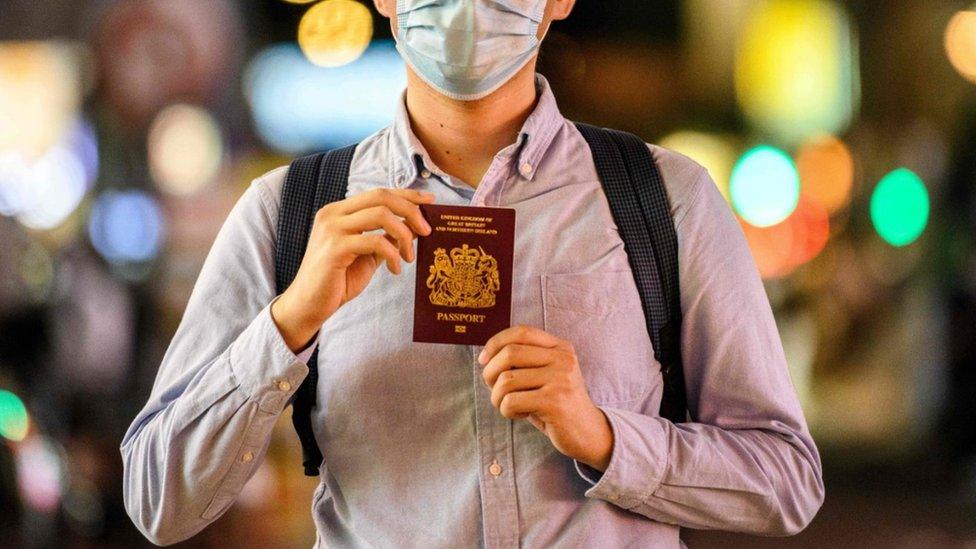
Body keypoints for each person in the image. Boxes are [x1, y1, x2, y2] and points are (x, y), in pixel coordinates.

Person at [121, 0, 825, 546]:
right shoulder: (291, 216)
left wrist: (606, 438)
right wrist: (289, 322)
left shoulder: (665, 202)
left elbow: (786, 480)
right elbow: (157, 500)